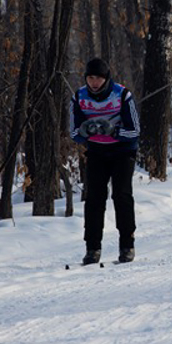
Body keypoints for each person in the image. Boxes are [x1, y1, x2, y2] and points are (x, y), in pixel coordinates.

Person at [70, 58, 140, 265]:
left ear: (106, 78)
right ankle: (92, 248)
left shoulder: (123, 95)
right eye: (90, 78)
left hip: (123, 152)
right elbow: (74, 132)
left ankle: (127, 245)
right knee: (93, 199)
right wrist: (85, 132)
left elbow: (135, 130)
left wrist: (115, 131)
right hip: (97, 153)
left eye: (98, 78)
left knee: (122, 195)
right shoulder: (79, 97)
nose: (94, 82)